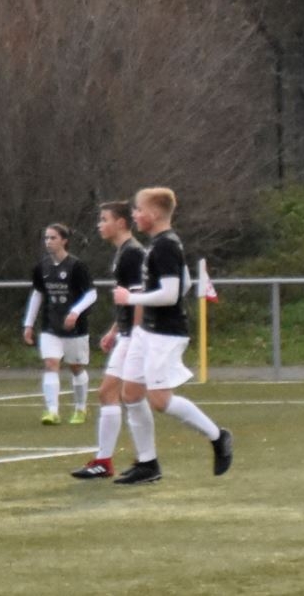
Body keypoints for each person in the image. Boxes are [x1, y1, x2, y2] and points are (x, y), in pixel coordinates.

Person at [111, 188, 233, 485]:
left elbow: (170, 294)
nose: (134, 215)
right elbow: (185, 283)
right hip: (147, 330)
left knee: (160, 400)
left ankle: (218, 436)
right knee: (131, 394)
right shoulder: (158, 244)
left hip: (165, 334)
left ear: (154, 214)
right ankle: (148, 463)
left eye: (139, 210)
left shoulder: (166, 245)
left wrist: (131, 298)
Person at [71, 202, 148, 479]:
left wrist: (135, 334)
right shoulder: (123, 253)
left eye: (105, 219)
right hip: (127, 333)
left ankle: (144, 459)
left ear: (121, 223)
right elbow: (127, 299)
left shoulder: (132, 254)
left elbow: (140, 298)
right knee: (112, 394)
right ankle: (108, 461)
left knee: (135, 396)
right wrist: (115, 330)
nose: (99, 225)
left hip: (136, 335)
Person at [22, 223, 96, 425]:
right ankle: (52, 411)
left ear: (64, 240)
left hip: (75, 328)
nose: (48, 242)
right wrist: (28, 324)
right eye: (46, 238)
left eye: (53, 238)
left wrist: (75, 312)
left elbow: (91, 294)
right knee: (50, 364)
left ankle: (80, 408)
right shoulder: (42, 267)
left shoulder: (77, 266)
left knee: (76, 367)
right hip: (50, 326)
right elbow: (38, 294)